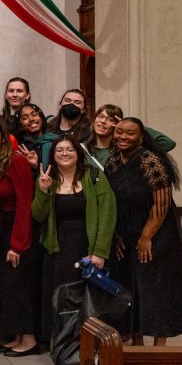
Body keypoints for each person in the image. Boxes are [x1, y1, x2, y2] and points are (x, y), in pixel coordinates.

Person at [105, 118, 182, 346]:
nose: (123, 137)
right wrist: (116, 234)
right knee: (131, 287)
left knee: (157, 289)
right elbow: (112, 202)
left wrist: (146, 237)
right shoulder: (112, 162)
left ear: (141, 137)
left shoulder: (151, 160)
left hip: (158, 234)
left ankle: (159, 348)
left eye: (130, 133)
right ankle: (137, 343)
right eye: (119, 132)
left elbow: (161, 204)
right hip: (127, 232)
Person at [32, 135, 116, 341]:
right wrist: (43, 190)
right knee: (58, 295)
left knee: (85, 297)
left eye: (69, 149)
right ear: (53, 155)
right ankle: (60, 342)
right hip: (56, 250)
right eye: (59, 150)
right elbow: (38, 215)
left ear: (78, 153)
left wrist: (99, 252)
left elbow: (107, 214)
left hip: (86, 249)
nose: (65, 154)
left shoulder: (94, 176)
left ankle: (84, 341)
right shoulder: (47, 178)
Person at [0, 117, 38, 356]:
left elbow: (25, 203)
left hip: (19, 228)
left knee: (18, 285)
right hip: (4, 226)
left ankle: (29, 339)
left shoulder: (16, 161)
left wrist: (18, 245)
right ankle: (17, 335)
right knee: (7, 285)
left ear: (3, 137)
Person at [83, 104, 176, 170]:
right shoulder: (83, 149)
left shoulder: (125, 151)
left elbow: (168, 143)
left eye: (110, 119)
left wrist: (130, 124)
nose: (103, 121)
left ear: (117, 125)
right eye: (100, 116)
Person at [15, 104, 60, 178]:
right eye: (25, 118)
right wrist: (34, 167)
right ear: (20, 123)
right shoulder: (21, 149)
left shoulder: (57, 142)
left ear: (41, 117)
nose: (31, 119)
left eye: (34, 115)